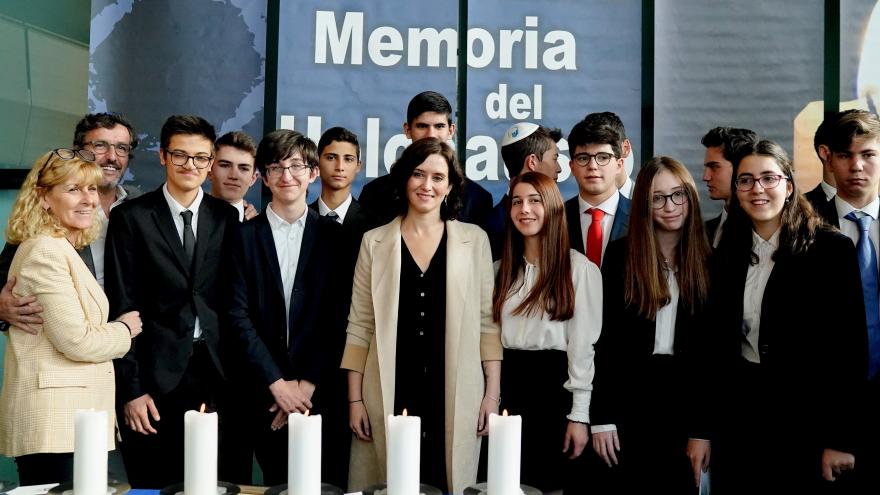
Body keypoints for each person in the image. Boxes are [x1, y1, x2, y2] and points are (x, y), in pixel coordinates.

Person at [341, 138, 502, 494]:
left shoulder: (474, 240)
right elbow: (360, 325)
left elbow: (488, 325)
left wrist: (492, 394)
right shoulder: (374, 242)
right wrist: (355, 400)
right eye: (418, 174)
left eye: (438, 177)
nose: (426, 185)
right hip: (390, 386)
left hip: (455, 388)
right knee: (392, 482)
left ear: (450, 186)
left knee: (448, 479)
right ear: (404, 180)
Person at [705, 140, 865, 494]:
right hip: (739, 419)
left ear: (789, 186)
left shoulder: (830, 249)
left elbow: (850, 351)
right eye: (745, 180)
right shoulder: (724, 253)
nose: (756, 189)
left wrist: (841, 438)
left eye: (768, 178)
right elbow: (713, 350)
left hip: (805, 421)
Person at [105, 115, 240, 488]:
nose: (190, 165)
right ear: (163, 156)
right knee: (156, 481)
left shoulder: (227, 218)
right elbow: (122, 305)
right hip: (154, 376)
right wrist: (132, 389)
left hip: (217, 373)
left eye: (200, 158)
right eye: (180, 155)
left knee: (214, 483)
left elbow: (232, 301)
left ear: (211, 162)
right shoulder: (131, 218)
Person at [0, 149, 142, 484]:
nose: (88, 199)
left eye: (91, 189)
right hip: (56, 424)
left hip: (74, 421)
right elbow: (77, 341)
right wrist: (125, 329)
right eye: (72, 189)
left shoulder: (62, 247)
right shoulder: (45, 250)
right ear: (43, 198)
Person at [222, 129, 345, 485]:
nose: (287, 176)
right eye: (276, 167)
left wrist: (304, 388)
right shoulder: (242, 236)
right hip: (260, 391)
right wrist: (278, 384)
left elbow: (338, 317)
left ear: (312, 172)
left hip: (319, 392)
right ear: (263, 176)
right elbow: (236, 314)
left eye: (296, 166)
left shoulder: (336, 239)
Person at [590, 157, 711, 494]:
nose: (670, 206)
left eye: (678, 195)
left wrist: (701, 431)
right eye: (658, 198)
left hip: (685, 403)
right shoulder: (619, 257)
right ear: (644, 203)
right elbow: (605, 344)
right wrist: (602, 417)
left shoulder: (711, 261)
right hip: (629, 399)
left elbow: (712, 358)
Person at [492, 171, 601, 492]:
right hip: (507, 391)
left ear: (552, 206)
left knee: (552, 486)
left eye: (534, 200)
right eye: (516, 202)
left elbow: (584, 349)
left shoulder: (580, 270)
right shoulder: (497, 271)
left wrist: (579, 415)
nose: (524, 209)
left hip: (555, 393)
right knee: (504, 485)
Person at [0, 112, 142, 333]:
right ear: (77, 150)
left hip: (131, 342)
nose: (112, 157)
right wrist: (1, 309)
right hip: (72, 343)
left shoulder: (141, 205)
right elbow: (5, 276)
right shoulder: (48, 211)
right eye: (101, 145)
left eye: (122, 148)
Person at [814, 109, 880, 492]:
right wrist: (835, 431)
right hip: (823, 421)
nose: (856, 166)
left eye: (868, 154)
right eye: (844, 155)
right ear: (828, 157)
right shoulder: (800, 224)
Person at [359, 91, 493, 227]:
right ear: (407, 130)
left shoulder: (477, 199)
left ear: (451, 131)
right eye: (422, 126)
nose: (431, 135)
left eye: (439, 126)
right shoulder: (374, 194)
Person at [485, 122, 562, 259]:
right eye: (555, 159)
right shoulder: (493, 229)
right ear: (532, 162)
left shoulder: (491, 221)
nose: (559, 168)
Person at [564, 119, 631, 266]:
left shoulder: (642, 216)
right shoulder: (554, 219)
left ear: (619, 165)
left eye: (603, 157)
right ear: (572, 167)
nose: (592, 166)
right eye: (583, 158)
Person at [701, 126, 759, 247]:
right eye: (706, 167)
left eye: (714, 167)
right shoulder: (704, 231)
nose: (705, 177)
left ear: (741, 167)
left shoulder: (764, 231)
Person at [209, 131, 259, 221]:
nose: (234, 175)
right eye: (225, 165)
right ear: (209, 171)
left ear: (253, 178)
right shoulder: (187, 219)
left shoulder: (261, 227)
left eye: (243, 168)